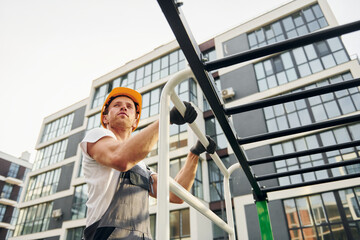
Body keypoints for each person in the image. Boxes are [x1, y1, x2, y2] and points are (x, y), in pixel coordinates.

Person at [80, 87, 216, 240]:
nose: (123, 107)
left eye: (129, 106)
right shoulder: (97, 136)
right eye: (117, 105)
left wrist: (195, 153)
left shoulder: (142, 166)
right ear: (105, 118)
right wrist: (166, 119)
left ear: (135, 121)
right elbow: (120, 158)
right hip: (103, 235)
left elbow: (175, 194)